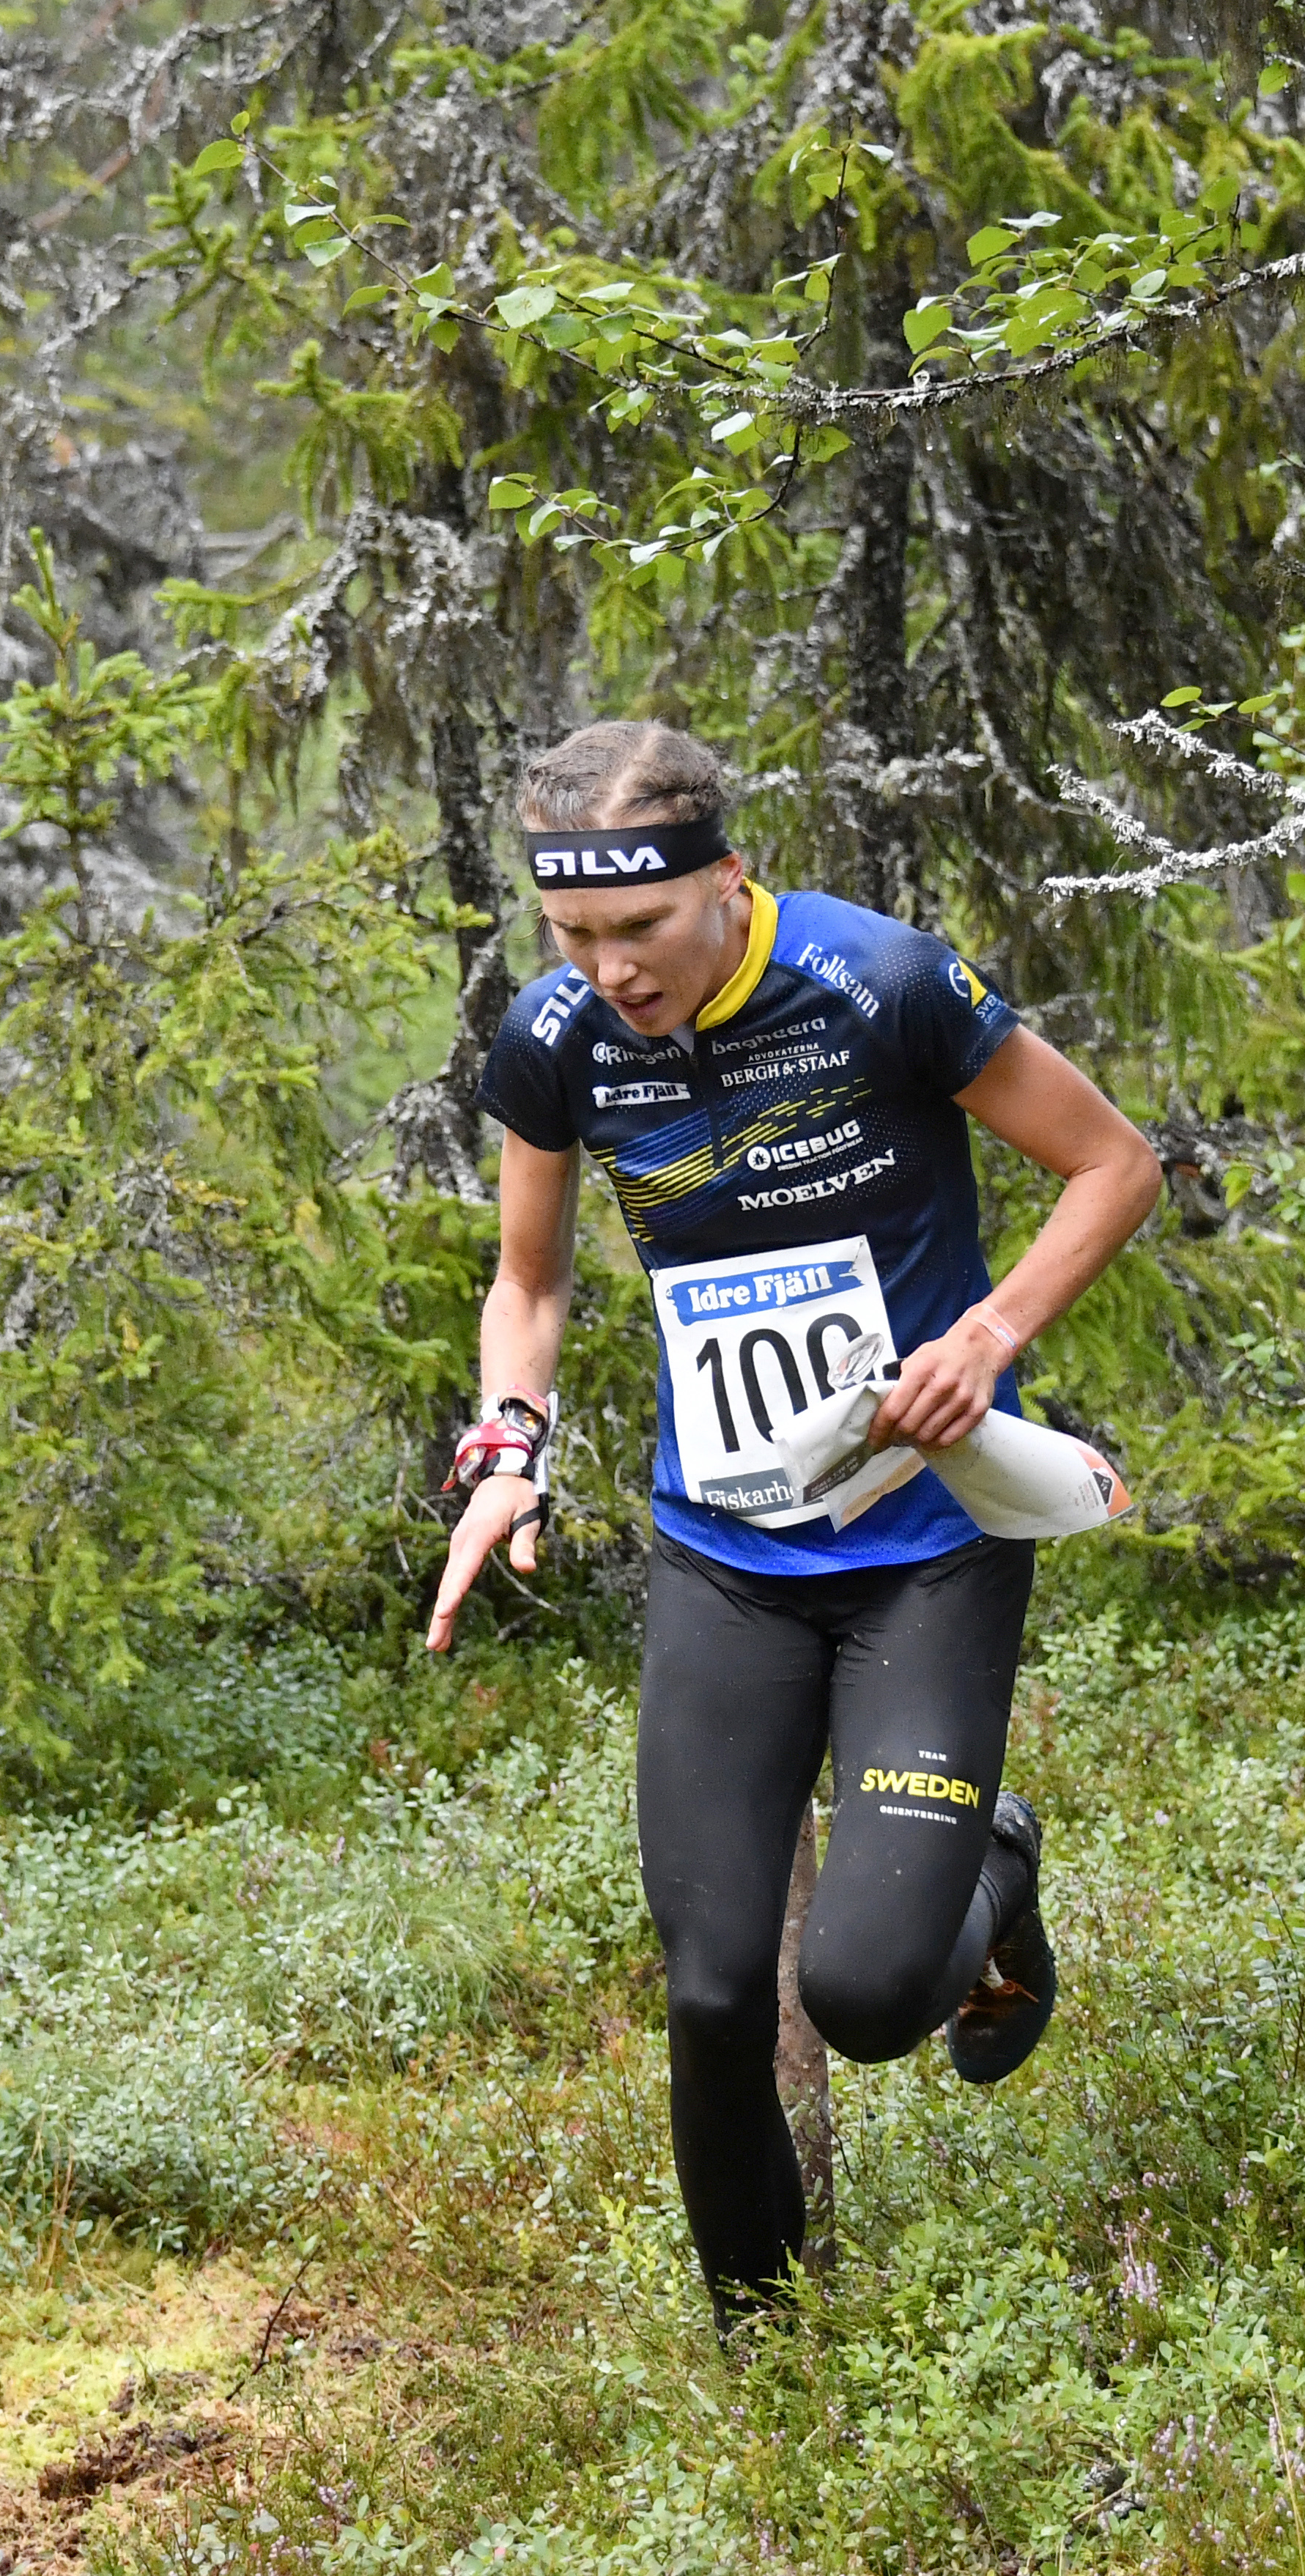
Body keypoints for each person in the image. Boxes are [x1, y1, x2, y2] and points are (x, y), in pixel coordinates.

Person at [422, 720, 1162, 2328]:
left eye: (642, 928)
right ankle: (767, 2355)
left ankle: (997, 1861)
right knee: (708, 1985)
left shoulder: (879, 981)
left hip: (927, 1546)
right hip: (727, 1552)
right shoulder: (559, 1042)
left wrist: (986, 1338)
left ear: (729, 879)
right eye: (575, 936)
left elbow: (1113, 1162)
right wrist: (509, 1446)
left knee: (868, 1992)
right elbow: (531, 1282)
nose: (612, 969)